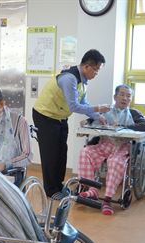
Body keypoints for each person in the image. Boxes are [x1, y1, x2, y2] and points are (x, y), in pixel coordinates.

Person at [32, 49, 110, 197]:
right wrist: (98, 108)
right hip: (45, 116)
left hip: (60, 117)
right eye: (96, 70)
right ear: (87, 67)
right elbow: (74, 106)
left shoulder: (83, 81)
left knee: (62, 152)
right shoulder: (69, 78)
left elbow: (83, 102)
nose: (96, 74)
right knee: (50, 154)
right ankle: (50, 190)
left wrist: (97, 116)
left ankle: (58, 185)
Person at [78, 84, 145, 215]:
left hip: (122, 147)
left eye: (128, 96)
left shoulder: (134, 113)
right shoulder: (106, 110)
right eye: (122, 94)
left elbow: (143, 127)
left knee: (115, 162)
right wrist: (87, 123)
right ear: (115, 97)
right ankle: (92, 189)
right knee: (85, 152)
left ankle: (107, 199)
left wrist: (121, 126)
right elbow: (91, 120)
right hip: (104, 144)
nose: (125, 98)